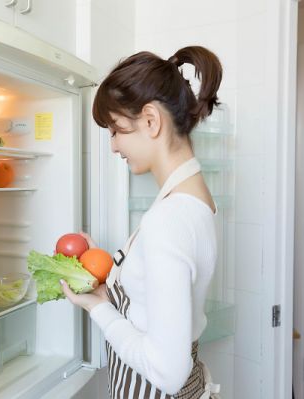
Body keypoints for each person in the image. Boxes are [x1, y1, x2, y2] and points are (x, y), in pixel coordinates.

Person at [60, 46, 223, 399]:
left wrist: (98, 306)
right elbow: (155, 292)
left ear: (151, 120)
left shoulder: (169, 219)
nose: (114, 146)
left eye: (116, 130)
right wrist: (106, 268)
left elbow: (167, 373)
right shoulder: (195, 201)